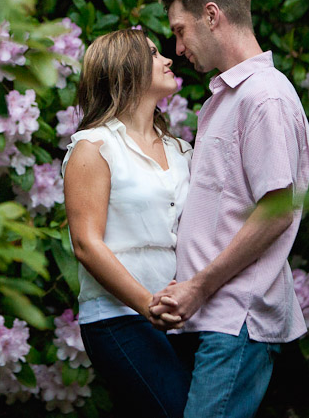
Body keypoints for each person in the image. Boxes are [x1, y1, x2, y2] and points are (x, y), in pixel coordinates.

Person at [149, 0, 309, 418]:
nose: (177, 49)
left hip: (235, 317)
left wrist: (198, 287)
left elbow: (277, 211)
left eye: (180, 31)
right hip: (208, 317)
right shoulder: (227, 98)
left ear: (212, 15)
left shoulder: (265, 97)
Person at [62, 28, 192, 418]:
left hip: (181, 316)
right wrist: (147, 304)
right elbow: (86, 244)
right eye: (154, 54)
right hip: (118, 318)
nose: (168, 59)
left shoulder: (181, 149)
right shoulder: (94, 147)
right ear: (126, 70)